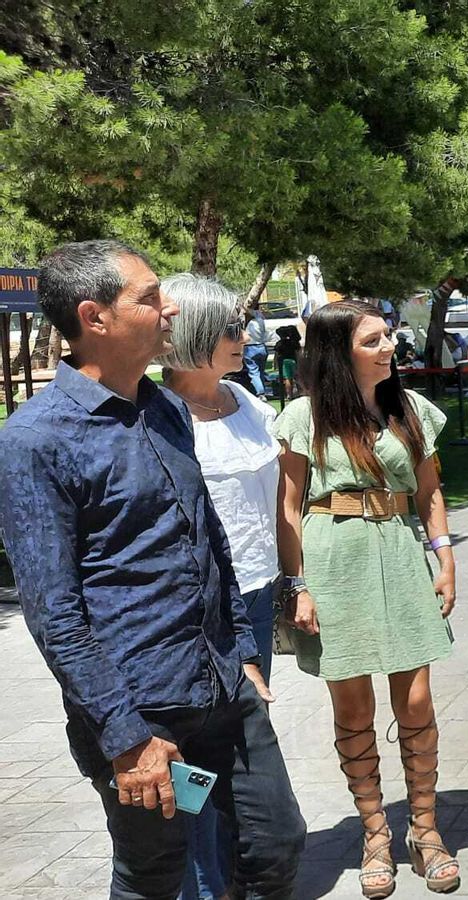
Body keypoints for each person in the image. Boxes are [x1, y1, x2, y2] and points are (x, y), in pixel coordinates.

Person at [0, 240, 305, 898]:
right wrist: (125, 736)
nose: (169, 307)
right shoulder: (36, 440)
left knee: (275, 843)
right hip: (144, 715)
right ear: (96, 317)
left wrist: (244, 648)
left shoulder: (162, 407)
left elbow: (208, 535)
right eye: (147, 297)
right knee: (157, 872)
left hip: (225, 687)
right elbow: (52, 611)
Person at [275, 300, 460, 896]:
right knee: (353, 708)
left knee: (416, 699)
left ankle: (425, 829)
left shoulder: (412, 409)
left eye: (390, 337)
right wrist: (297, 584)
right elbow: (289, 509)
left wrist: (445, 555)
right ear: (338, 350)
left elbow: (430, 490)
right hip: (335, 557)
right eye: (375, 340)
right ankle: (375, 831)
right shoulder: (304, 416)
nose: (389, 347)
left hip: (402, 551)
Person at [157, 274, 287, 900]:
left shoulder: (247, 401)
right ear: (190, 335)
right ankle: (201, 883)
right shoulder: (158, 419)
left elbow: (282, 502)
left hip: (256, 596)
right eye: (228, 329)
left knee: (241, 755)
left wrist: (296, 582)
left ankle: (234, 873)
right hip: (197, 611)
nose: (243, 337)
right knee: (195, 768)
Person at [243, 297, 271, 397]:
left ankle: (260, 393)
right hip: (262, 347)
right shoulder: (261, 318)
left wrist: (243, 304)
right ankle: (262, 391)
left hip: (251, 347)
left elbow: (247, 310)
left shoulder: (254, 317)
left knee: (254, 371)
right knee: (261, 372)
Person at [275, 325, 303, 399]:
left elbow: (277, 354)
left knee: (287, 378)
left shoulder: (280, 343)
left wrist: (275, 364)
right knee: (297, 378)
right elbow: (298, 353)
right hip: (294, 360)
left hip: (284, 362)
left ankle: (289, 395)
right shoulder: (295, 343)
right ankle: (301, 392)